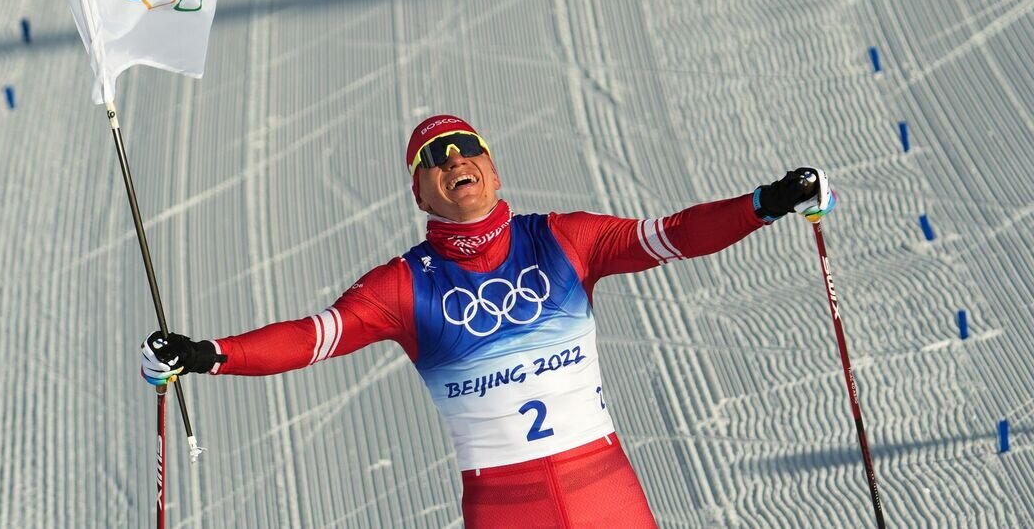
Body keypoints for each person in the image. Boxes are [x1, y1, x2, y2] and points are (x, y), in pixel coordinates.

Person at [141, 114, 835, 528]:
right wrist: (205, 353)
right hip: (506, 506)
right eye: (432, 159)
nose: (452, 160)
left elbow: (676, 234)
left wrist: (767, 201)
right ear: (419, 191)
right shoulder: (403, 285)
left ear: (494, 169)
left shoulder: (568, 237)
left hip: (604, 488)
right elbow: (314, 336)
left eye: (465, 146)